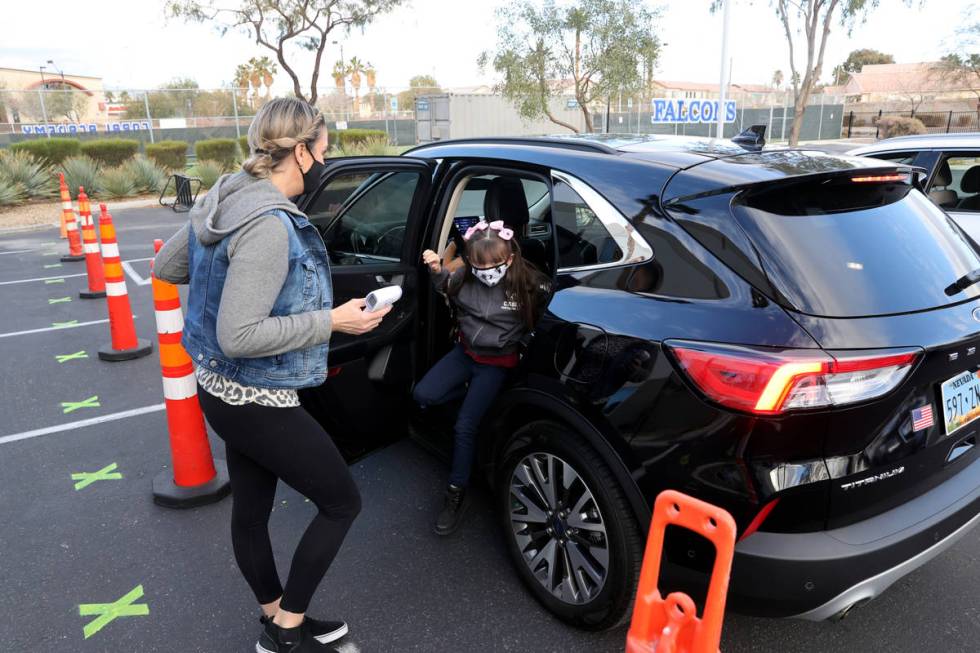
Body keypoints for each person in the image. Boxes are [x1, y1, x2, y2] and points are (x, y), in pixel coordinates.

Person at [154, 97, 391, 653]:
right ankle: (286, 633)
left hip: (217, 388)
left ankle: (276, 614)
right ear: (301, 152)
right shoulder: (267, 224)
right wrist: (332, 321)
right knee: (342, 503)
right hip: (255, 397)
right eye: (325, 151)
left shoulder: (227, 195)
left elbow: (168, 266)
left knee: (253, 511)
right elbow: (241, 334)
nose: (326, 162)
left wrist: (209, 218)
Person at [415, 220, 549, 535]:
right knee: (423, 395)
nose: (486, 271)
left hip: (496, 363)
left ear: (510, 259)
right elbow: (445, 284)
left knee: (464, 427)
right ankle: (476, 403)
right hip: (465, 353)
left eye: (493, 265)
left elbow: (547, 316)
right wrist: (436, 269)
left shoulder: (529, 284)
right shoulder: (465, 277)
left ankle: (456, 492)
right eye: (478, 265)